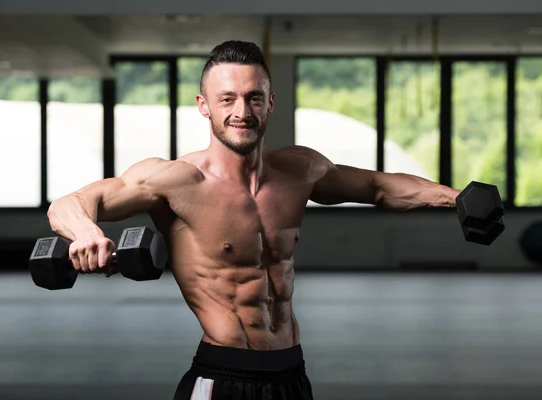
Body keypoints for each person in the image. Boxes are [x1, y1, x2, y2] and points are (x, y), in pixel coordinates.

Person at [47, 40, 461, 400]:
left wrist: (457, 198)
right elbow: (71, 202)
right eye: (227, 99)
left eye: (253, 98)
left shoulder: (300, 170)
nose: (241, 111)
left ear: (270, 102)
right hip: (222, 376)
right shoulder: (174, 180)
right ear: (203, 106)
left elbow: (378, 186)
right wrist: (87, 234)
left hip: (291, 373)